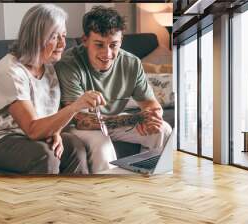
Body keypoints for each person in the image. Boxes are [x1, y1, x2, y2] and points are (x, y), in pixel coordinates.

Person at [0, 4, 105, 174]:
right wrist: (75, 106)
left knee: (75, 146)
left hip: (23, 134)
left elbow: (50, 114)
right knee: (45, 155)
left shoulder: (49, 67)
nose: (62, 44)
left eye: (64, 36)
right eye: (54, 37)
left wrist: (56, 131)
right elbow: (32, 129)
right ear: (35, 37)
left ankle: (74, 198)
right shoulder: (10, 72)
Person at [55, 6, 172, 173]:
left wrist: (153, 116)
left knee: (163, 130)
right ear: (85, 40)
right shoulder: (69, 64)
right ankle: (107, 194)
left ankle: (148, 183)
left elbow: (151, 104)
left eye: (113, 45)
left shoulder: (131, 63)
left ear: (121, 41)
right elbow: (81, 120)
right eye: (99, 45)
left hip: (111, 119)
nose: (107, 53)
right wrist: (136, 119)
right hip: (77, 126)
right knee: (102, 146)